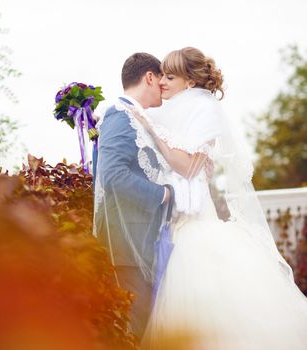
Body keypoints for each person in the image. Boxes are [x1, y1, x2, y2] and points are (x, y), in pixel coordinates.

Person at [127, 47, 307, 349]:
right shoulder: (169, 109)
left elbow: (187, 166)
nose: (162, 82)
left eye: (170, 77)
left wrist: (152, 130)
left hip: (196, 225)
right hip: (171, 221)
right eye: (161, 76)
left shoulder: (205, 109)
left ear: (191, 82)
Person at [93, 52, 172, 340]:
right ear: (149, 77)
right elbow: (112, 175)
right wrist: (162, 195)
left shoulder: (133, 116)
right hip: (127, 246)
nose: (164, 84)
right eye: (162, 76)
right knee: (138, 332)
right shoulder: (119, 114)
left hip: (142, 242)